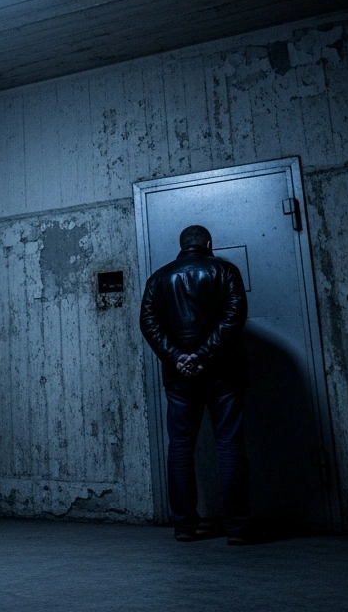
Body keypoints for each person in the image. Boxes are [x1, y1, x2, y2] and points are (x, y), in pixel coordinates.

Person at [139, 224, 251, 544]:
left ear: (182, 246)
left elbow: (148, 323)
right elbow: (234, 316)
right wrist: (202, 354)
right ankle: (238, 529)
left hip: (179, 379)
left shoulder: (159, 278)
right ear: (209, 243)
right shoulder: (225, 271)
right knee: (229, 447)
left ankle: (185, 526)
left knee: (180, 448)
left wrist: (179, 358)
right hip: (224, 374)